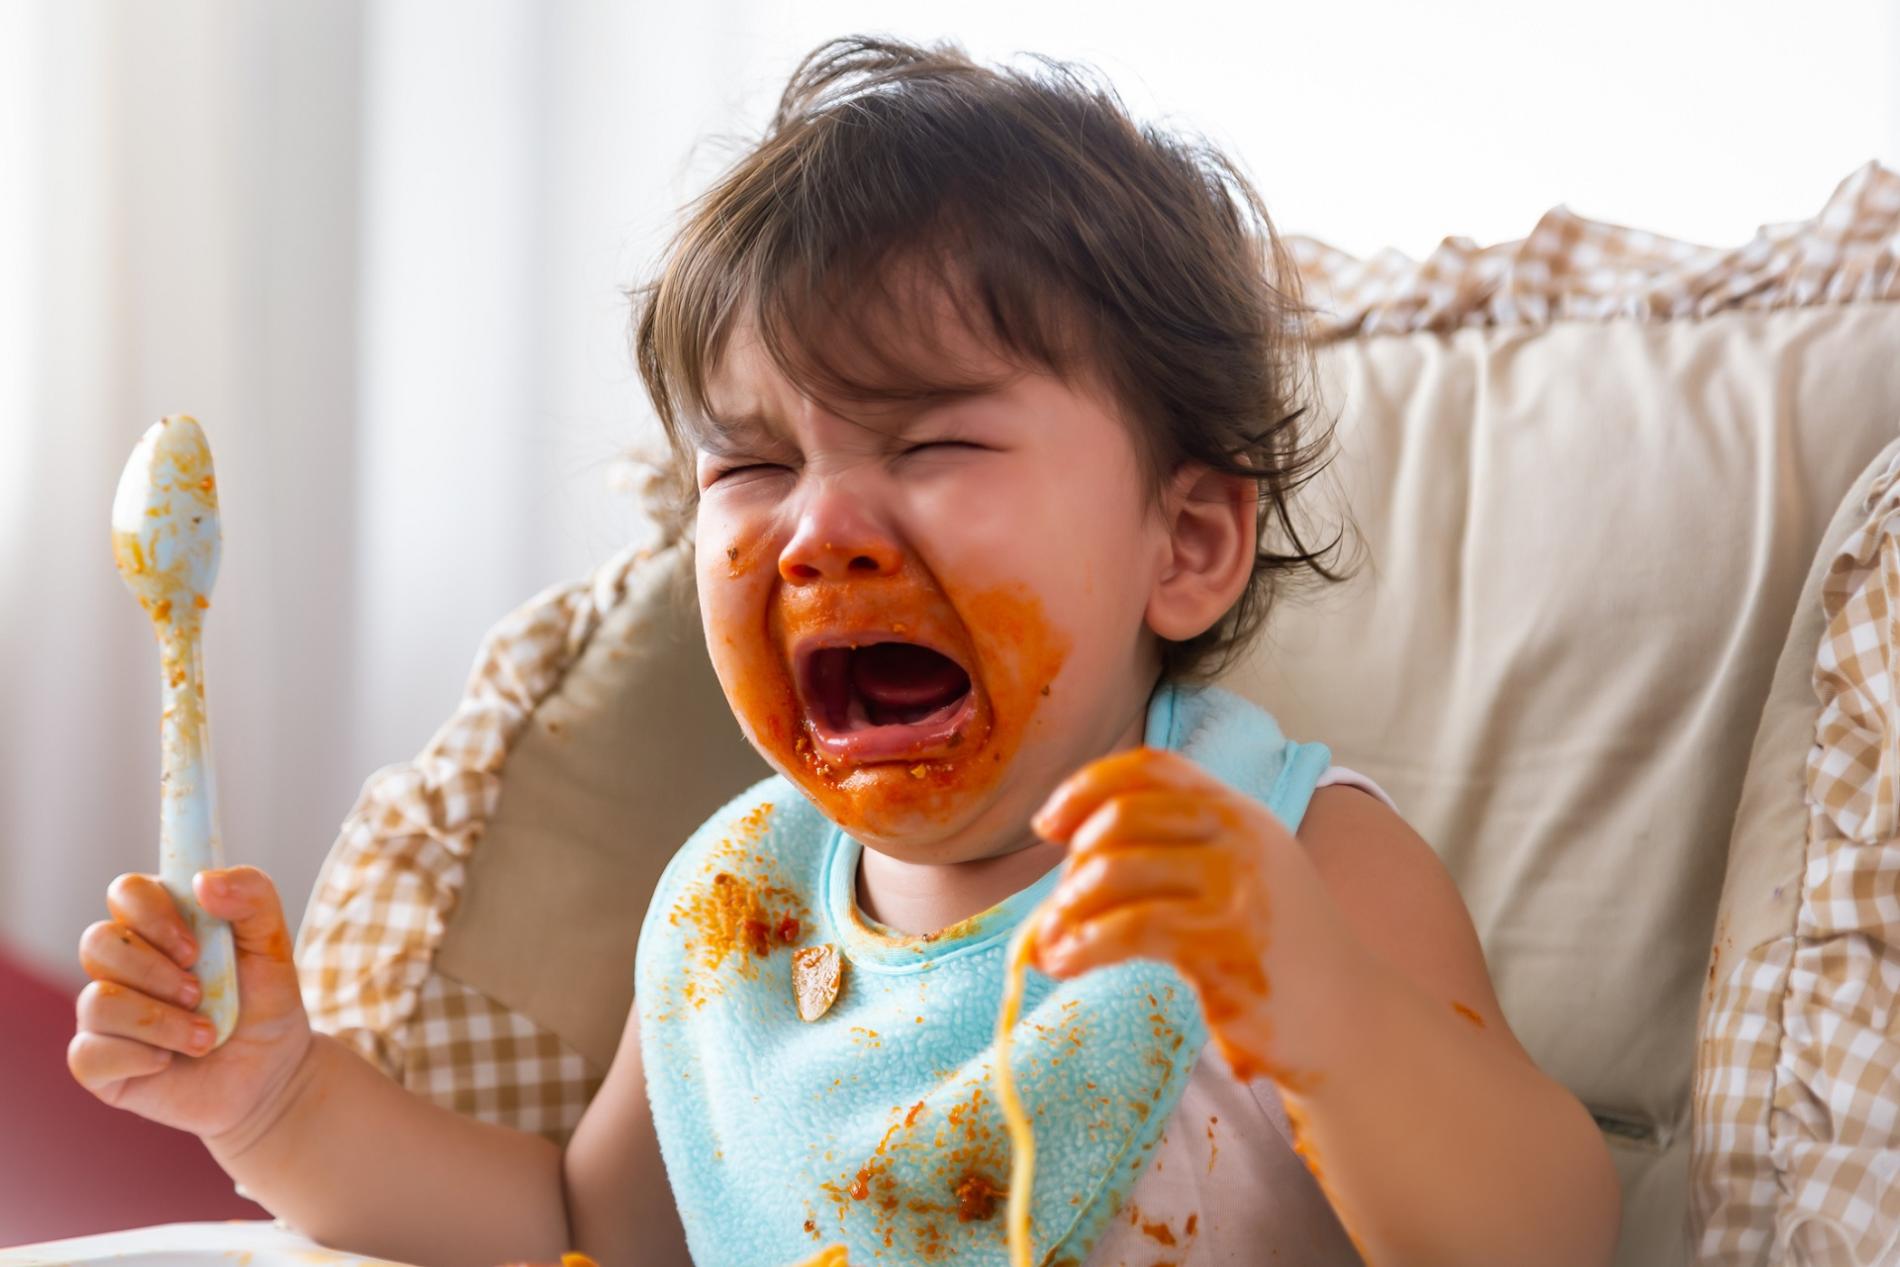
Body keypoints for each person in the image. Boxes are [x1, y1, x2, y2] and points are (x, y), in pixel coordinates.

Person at [69, 35, 1620, 1267]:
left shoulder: (1280, 866)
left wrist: (1330, 1012)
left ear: (1188, 545)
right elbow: (579, 1229)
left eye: (935, 437)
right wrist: (276, 1101)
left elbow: (1554, 1238)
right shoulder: (733, 917)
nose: (817, 531)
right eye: (749, 469)